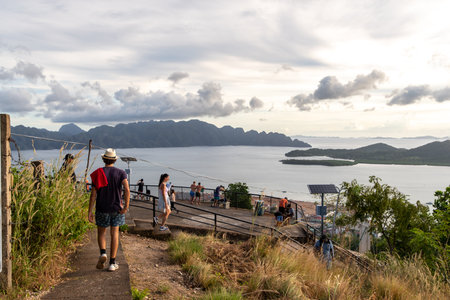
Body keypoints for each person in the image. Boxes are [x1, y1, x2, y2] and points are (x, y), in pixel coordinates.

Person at [88, 148, 130, 272]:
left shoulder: (98, 173)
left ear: (103, 159)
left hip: (101, 208)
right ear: (115, 160)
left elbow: (93, 194)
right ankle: (112, 263)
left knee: (101, 232)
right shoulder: (121, 173)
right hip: (117, 208)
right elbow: (127, 190)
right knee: (114, 234)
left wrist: (89, 211)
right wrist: (126, 207)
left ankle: (103, 253)